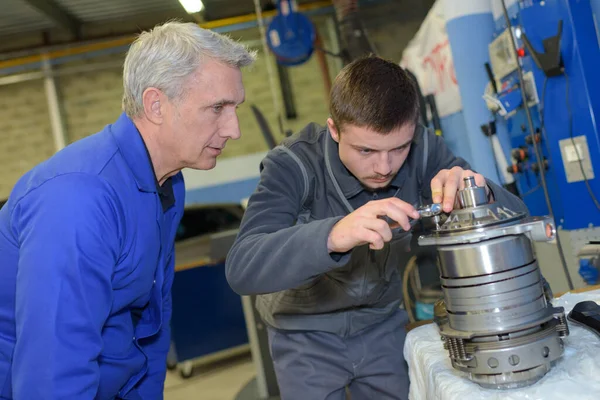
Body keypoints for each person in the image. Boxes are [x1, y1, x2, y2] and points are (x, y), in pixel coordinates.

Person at [225, 56, 527, 399]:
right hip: (304, 336)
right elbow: (242, 268)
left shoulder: (423, 150)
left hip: (382, 326)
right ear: (334, 129)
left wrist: (481, 191)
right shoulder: (292, 165)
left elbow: (518, 218)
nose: (384, 167)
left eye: (398, 148)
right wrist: (333, 235)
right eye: (366, 149)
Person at [0, 21, 255, 399]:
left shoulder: (167, 182)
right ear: (156, 105)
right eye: (217, 108)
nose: (233, 129)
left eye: (235, 108)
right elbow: (52, 374)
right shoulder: (79, 199)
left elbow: (151, 321)